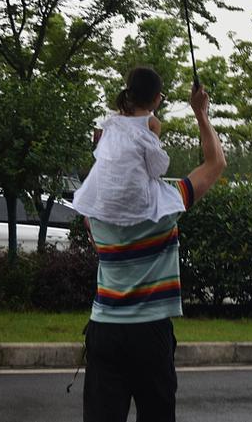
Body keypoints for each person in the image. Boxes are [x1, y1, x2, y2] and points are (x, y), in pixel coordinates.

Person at [80, 74, 226, 422]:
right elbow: (215, 163)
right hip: (151, 335)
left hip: (104, 332)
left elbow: (106, 175)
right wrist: (201, 114)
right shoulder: (167, 204)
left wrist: (121, 127)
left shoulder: (94, 213)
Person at [73, 67, 184, 226]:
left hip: (103, 192)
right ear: (156, 97)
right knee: (166, 197)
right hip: (134, 198)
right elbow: (154, 168)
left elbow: (102, 154)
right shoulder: (152, 123)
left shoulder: (114, 120)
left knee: (90, 215)